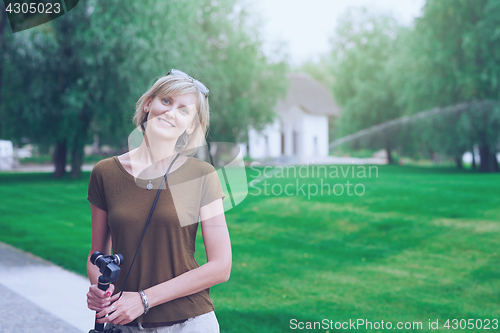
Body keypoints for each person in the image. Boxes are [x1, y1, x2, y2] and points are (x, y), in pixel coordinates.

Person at [86, 69, 231, 333]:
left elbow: (221, 266)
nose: (171, 112)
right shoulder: (104, 173)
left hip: (190, 323)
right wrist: (100, 289)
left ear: (191, 126)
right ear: (148, 103)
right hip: (125, 324)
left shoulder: (202, 175)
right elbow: (96, 255)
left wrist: (143, 300)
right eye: (166, 101)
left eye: (183, 110)